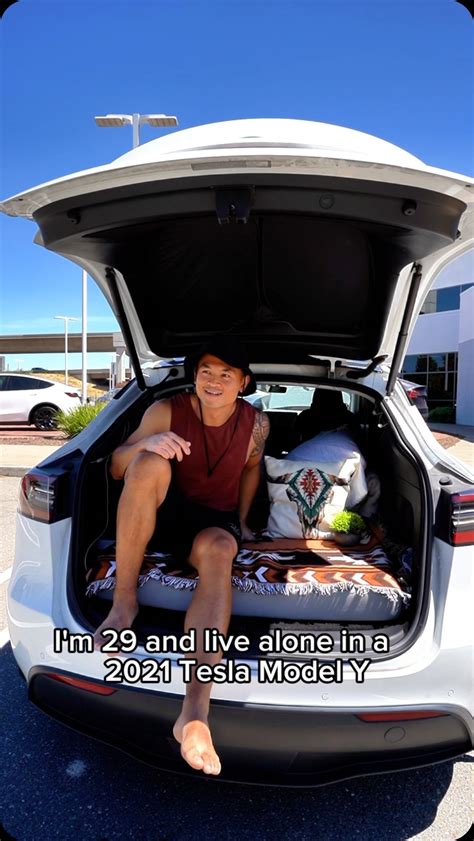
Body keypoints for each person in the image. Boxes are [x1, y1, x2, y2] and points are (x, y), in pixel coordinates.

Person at [93, 335, 270, 777]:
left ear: (244, 383)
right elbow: (116, 465)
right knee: (146, 464)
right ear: (195, 376)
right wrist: (147, 445)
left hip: (214, 522)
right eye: (206, 371)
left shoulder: (257, 424)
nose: (214, 380)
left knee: (221, 549)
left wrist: (243, 521)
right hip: (163, 514)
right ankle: (123, 604)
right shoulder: (165, 410)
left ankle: (193, 713)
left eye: (226, 374)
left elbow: (251, 469)